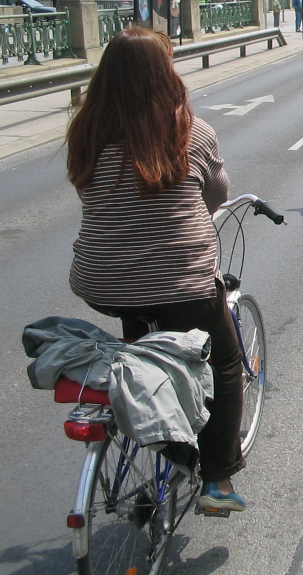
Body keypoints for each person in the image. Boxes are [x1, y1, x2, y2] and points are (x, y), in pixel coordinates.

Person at [65, 26, 247, 512]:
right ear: (164, 75)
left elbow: (90, 194)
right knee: (225, 363)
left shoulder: (86, 133)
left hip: (102, 282)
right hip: (181, 284)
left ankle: (158, 437)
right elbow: (217, 193)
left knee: (144, 347)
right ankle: (217, 480)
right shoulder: (189, 130)